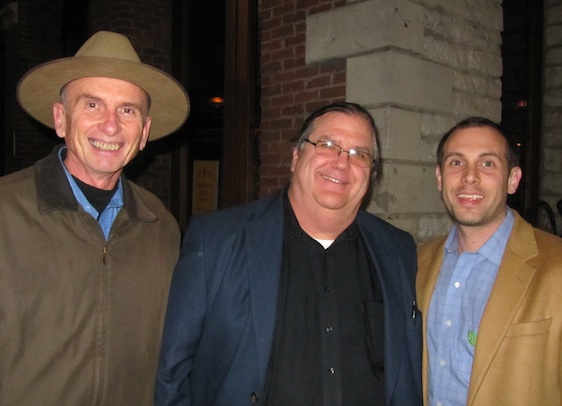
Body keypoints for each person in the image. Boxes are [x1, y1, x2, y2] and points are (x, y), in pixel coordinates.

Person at [155, 102, 422, 406]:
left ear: (371, 175)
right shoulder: (216, 240)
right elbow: (172, 372)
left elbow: (407, 374)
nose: (341, 162)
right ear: (296, 157)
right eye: (328, 145)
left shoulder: (397, 251)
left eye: (359, 154)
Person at [0, 31, 189, 405]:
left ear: (144, 132)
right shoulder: (6, 212)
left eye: (127, 110)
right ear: (61, 118)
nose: (110, 126)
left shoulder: (161, 227)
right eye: (92, 105)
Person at [417, 116, 562, 405]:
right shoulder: (418, 263)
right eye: (456, 162)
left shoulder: (556, 267)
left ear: (512, 180)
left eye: (487, 163)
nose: (469, 176)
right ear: (440, 178)